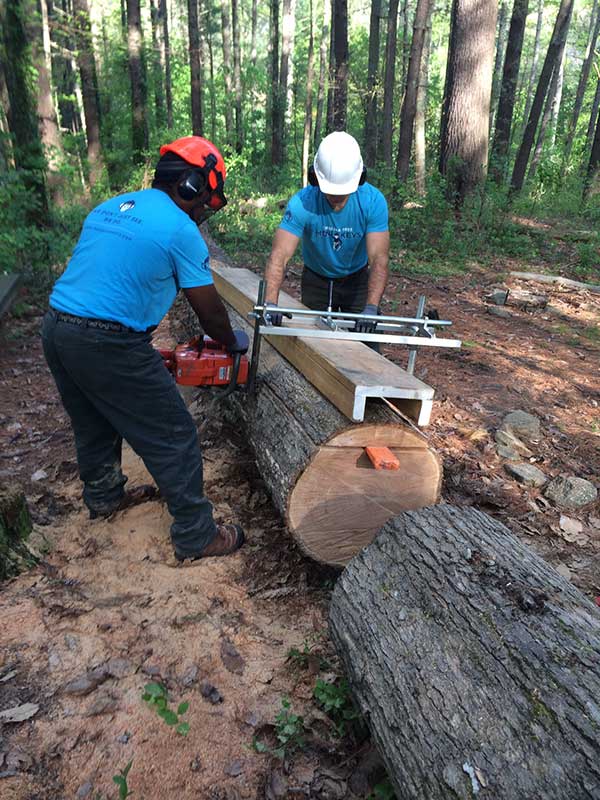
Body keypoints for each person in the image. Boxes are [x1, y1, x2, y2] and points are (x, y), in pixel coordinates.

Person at [42, 136, 247, 562]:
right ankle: (196, 534)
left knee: (93, 419)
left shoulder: (110, 208)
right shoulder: (180, 230)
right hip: (105, 340)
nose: (205, 209)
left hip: (58, 329)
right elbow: (208, 311)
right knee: (174, 433)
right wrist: (231, 343)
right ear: (190, 186)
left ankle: (103, 498)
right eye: (205, 198)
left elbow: (101, 281)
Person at [264, 131, 390, 336]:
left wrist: (371, 308)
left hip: (356, 279)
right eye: (330, 191)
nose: (336, 198)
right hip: (316, 279)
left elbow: (379, 258)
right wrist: (270, 301)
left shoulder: (372, 201)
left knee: (367, 345)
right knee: (311, 345)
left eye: (342, 192)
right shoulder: (302, 203)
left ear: (359, 179)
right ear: (315, 179)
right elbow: (280, 255)